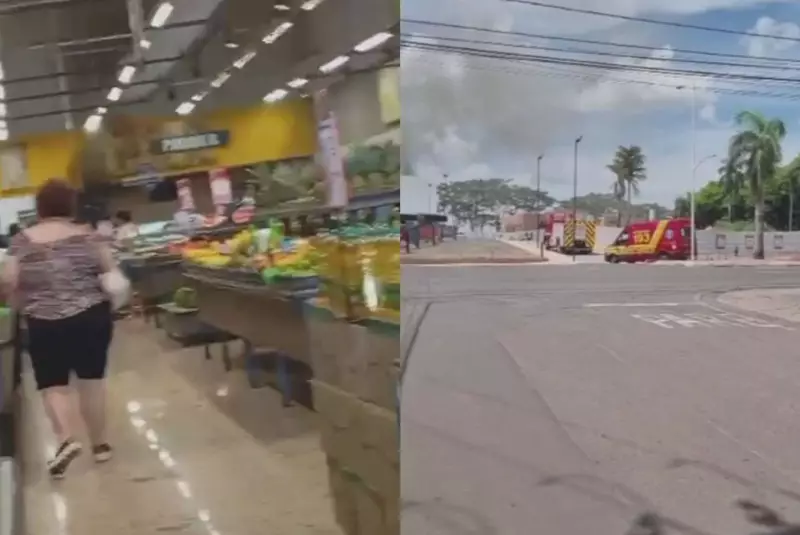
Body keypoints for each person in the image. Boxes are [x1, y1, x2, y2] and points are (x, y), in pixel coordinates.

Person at [2, 179, 116, 479]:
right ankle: (100, 446)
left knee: (53, 384)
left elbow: (9, 281)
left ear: (39, 208)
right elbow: (110, 273)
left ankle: (66, 438)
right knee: (91, 382)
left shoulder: (21, 241)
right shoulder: (88, 237)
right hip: (91, 316)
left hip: (43, 320)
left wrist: (16, 301)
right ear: (71, 206)